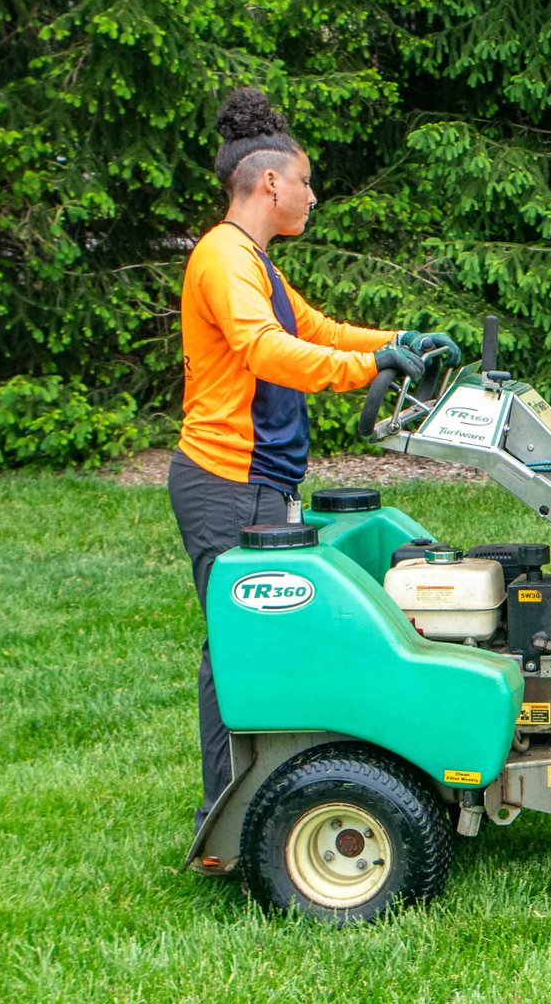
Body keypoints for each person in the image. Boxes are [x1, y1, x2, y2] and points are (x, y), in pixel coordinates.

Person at [168, 87, 459, 835]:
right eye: (304, 181)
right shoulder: (222, 257)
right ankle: (229, 813)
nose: (312, 194)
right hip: (227, 481)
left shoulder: (253, 259)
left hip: (261, 481)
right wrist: (370, 370)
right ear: (270, 183)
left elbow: (315, 327)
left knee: (257, 638)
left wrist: (400, 341)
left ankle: (275, 790)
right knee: (237, 643)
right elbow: (264, 349)